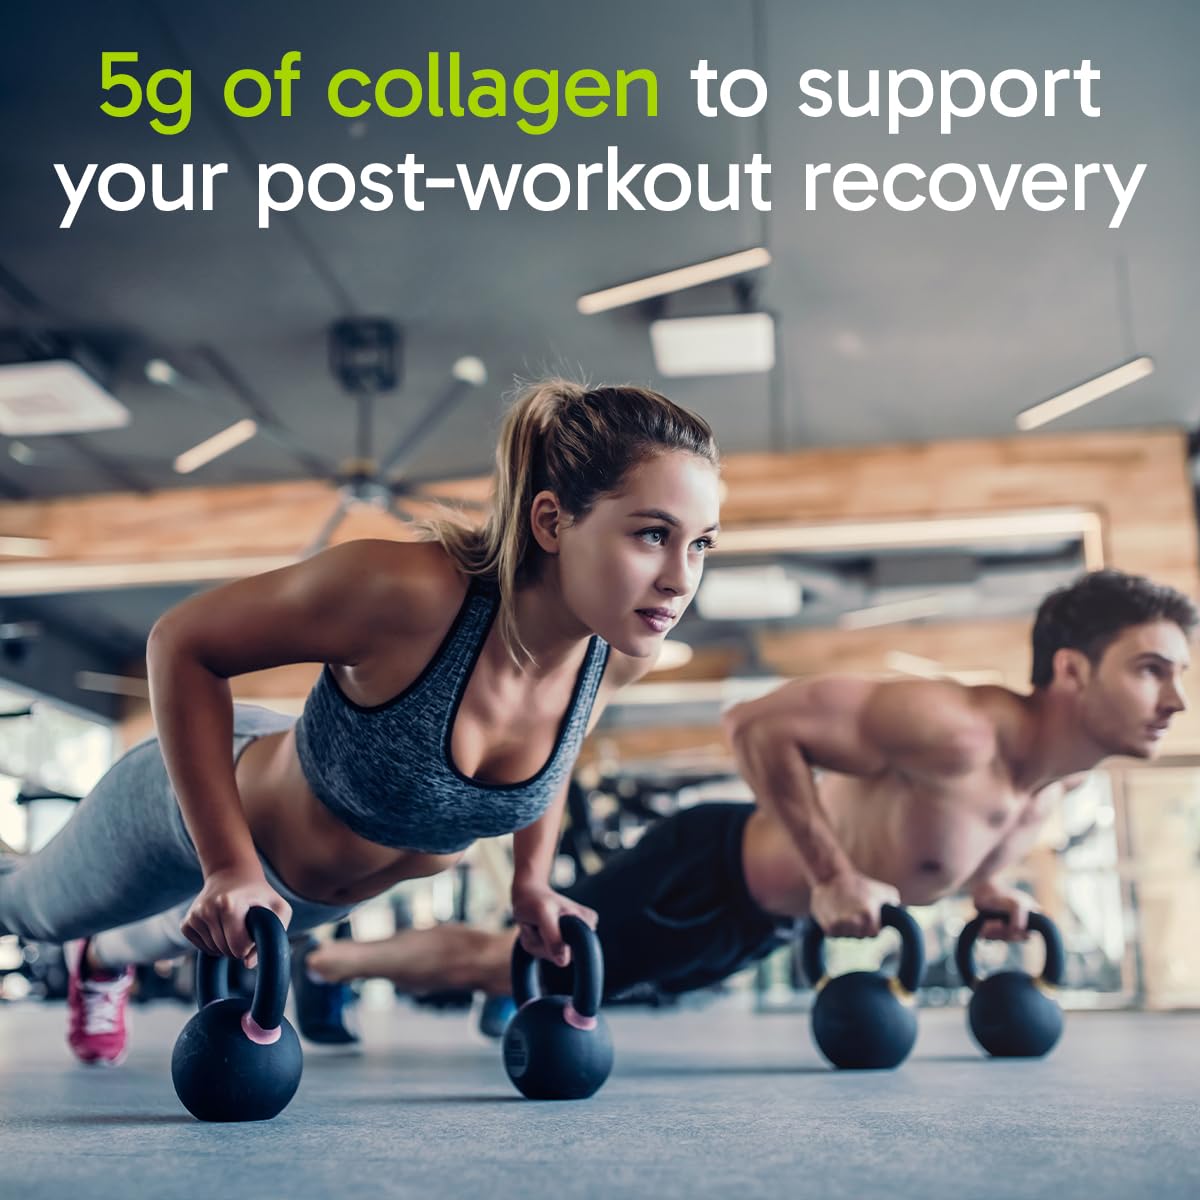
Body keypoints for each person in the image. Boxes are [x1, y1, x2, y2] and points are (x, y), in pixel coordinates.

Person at [0, 379, 722, 1064]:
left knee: (160, 936)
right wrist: (228, 866)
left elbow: (554, 757)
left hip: (293, 901)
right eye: (653, 535)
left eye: (700, 544)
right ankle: (77, 934)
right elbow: (182, 643)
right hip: (193, 807)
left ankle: (97, 962)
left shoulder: (620, 657)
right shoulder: (408, 593)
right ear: (551, 521)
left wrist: (530, 883)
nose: (681, 578)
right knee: (31, 911)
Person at [290, 568, 1195, 1037]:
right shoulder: (953, 726)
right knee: (505, 963)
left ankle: (348, 967)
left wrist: (991, 890)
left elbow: (962, 835)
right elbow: (754, 722)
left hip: (748, 923)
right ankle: (326, 968)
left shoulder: (1056, 781)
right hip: (707, 873)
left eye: (1181, 674)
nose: (1178, 700)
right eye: (1152, 669)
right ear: (1072, 672)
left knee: (541, 976)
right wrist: (834, 872)